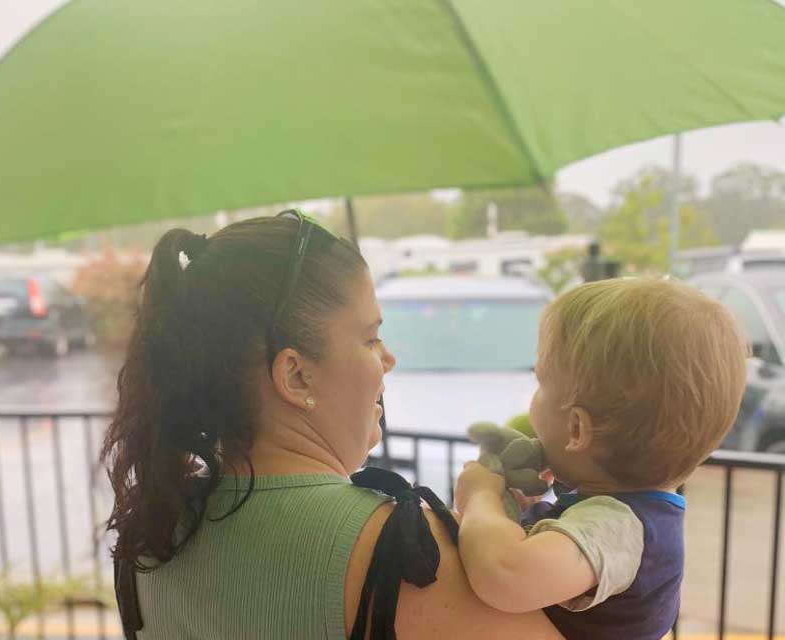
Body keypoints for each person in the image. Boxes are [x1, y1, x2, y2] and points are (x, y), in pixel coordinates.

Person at [101, 211, 563, 640]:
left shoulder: (150, 537)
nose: (388, 359)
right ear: (295, 375)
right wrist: (481, 502)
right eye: (371, 338)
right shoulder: (404, 554)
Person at [454, 277, 747, 640]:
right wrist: (518, 511)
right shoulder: (620, 514)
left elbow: (506, 572)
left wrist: (480, 499)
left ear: (577, 429)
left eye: (541, 383)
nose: (532, 400)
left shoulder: (616, 526)